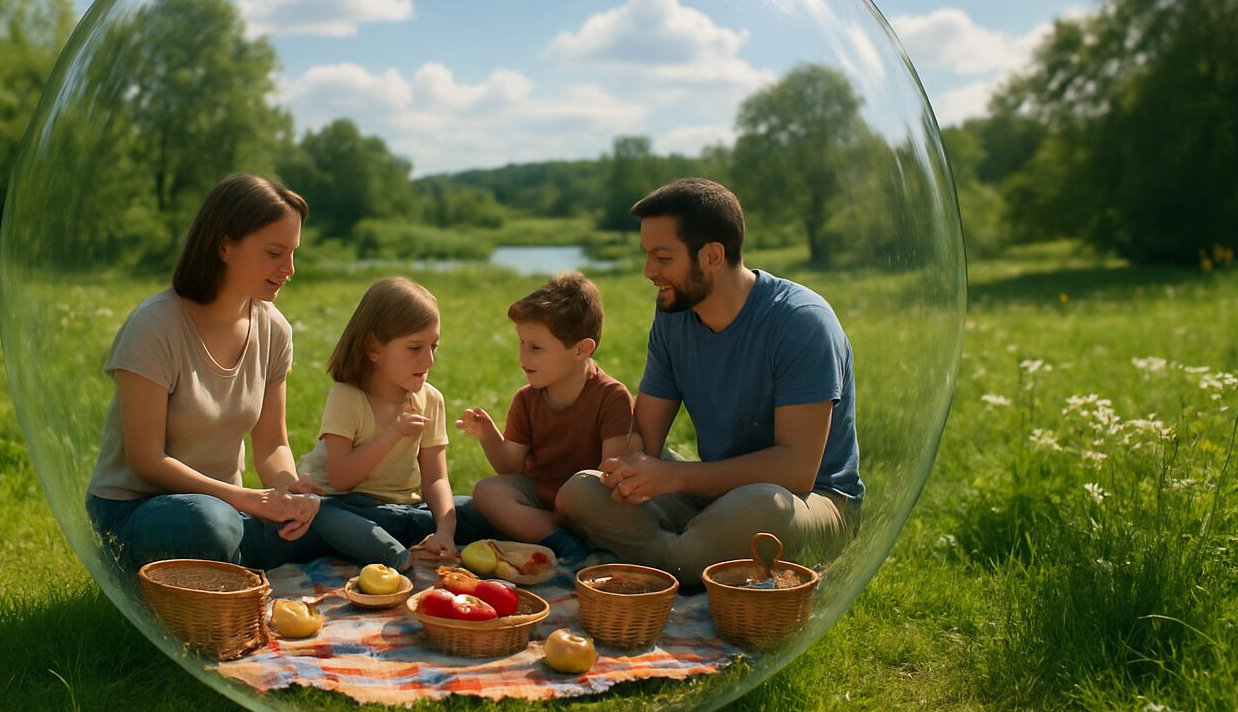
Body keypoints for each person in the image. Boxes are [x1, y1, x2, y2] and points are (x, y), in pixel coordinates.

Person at [557, 177, 864, 588]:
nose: (650, 272)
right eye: (648, 256)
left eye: (663, 258)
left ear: (713, 256)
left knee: (759, 507)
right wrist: (626, 467)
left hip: (808, 502)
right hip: (713, 494)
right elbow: (646, 434)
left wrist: (673, 477)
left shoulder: (801, 322)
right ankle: (690, 559)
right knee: (580, 493)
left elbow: (796, 470)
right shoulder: (673, 314)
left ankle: (663, 562)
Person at [85, 174, 325, 575]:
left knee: (330, 517)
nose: (290, 268)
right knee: (210, 526)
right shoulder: (155, 325)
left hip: (230, 505)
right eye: (274, 253)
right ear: (225, 245)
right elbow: (146, 459)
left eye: (293, 253)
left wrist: (290, 491)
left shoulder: (273, 328)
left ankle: (236, 559)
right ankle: (215, 562)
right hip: (139, 507)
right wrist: (246, 500)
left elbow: (271, 444)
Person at [297, 276, 484, 569]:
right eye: (415, 348)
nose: (429, 360)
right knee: (318, 512)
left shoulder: (431, 399)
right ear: (374, 349)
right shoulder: (347, 396)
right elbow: (341, 478)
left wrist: (445, 531)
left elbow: (435, 478)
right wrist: (393, 433)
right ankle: (397, 557)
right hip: (348, 507)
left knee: (479, 511)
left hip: (406, 511)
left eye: (434, 346)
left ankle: (401, 545)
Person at [455, 271, 635, 566]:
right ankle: (559, 540)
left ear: (580, 350)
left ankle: (548, 535)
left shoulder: (611, 396)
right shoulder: (527, 399)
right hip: (540, 498)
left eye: (536, 347)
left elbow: (610, 476)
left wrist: (578, 506)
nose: (523, 356)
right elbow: (509, 467)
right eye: (521, 343)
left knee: (594, 500)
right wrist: (488, 435)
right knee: (486, 491)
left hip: (585, 504)